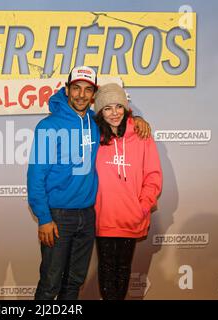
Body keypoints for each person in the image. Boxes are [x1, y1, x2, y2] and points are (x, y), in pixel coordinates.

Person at [27, 66, 151, 300]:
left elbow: (118, 119)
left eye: (87, 90)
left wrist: (137, 118)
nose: (81, 95)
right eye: (76, 88)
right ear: (67, 90)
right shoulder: (49, 126)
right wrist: (44, 218)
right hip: (58, 216)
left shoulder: (96, 125)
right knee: (50, 283)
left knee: (74, 282)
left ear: (93, 94)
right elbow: (35, 176)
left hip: (88, 215)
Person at [93, 83, 162, 300]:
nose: (114, 113)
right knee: (106, 269)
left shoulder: (141, 135)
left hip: (131, 217)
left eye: (119, 106)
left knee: (123, 270)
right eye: (107, 108)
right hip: (103, 217)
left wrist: (142, 207)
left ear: (126, 108)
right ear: (100, 111)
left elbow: (153, 175)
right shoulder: (92, 136)